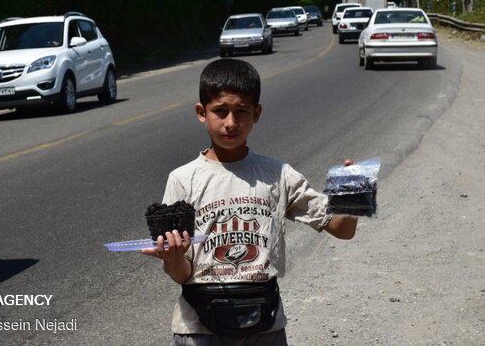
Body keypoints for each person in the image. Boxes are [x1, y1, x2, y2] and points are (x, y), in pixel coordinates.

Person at [142, 58, 358, 346]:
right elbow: (181, 275)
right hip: (198, 329)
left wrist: (352, 195)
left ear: (256, 113)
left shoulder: (278, 175)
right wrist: (174, 257)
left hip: (265, 326)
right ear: (201, 113)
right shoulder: (183, 179)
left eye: (241, 112)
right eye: (220, 111)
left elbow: (343, 229)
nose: (231, 123)